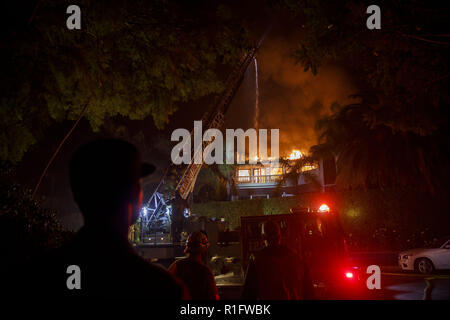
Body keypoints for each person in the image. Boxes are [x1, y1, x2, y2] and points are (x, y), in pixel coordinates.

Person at [5, 139, 187, 298]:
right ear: (135, 196)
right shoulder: (162, 288)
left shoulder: (33, 276)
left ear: (77, 195)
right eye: (137, 183)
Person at [242, 220, 315, 300]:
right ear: (280, 236)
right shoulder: (296, 258)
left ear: (263, 237)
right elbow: (309, 292)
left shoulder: (257, 261)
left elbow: (248, 294)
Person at [168, 230, 219, 300]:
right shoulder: (206, 272)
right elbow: (214, 296)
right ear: (204, 248)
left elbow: (165, 284)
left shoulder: (177, 265)